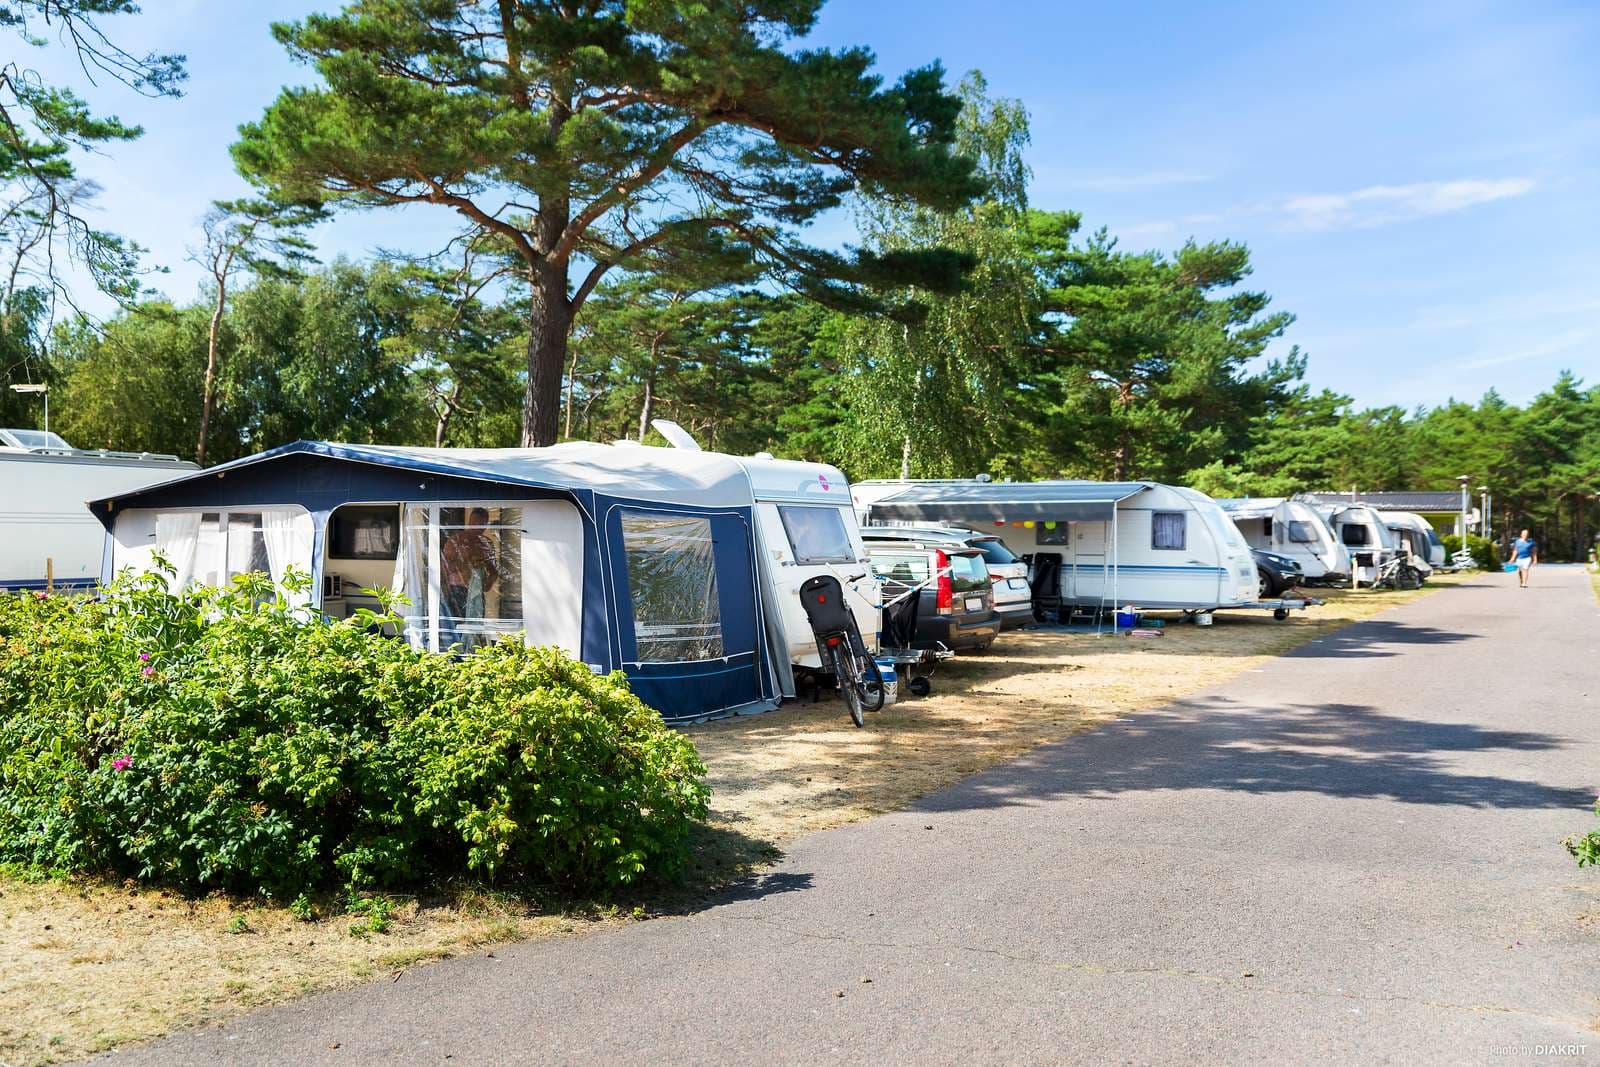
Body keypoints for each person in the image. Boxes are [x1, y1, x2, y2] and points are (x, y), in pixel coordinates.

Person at [441, 507, 501, 648]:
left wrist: (486, 582)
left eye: (481, 524)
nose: (477, 528)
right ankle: (457, 657)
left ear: (485, 525)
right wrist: (464, 560)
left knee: (476, 627)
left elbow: (494, 570)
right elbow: (445, 569)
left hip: (477, 591)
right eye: (474, 523)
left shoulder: (485, 543)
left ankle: (473, 655)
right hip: (457, 590)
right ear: (469, 522)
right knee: (459, 627)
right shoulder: (455, 541)